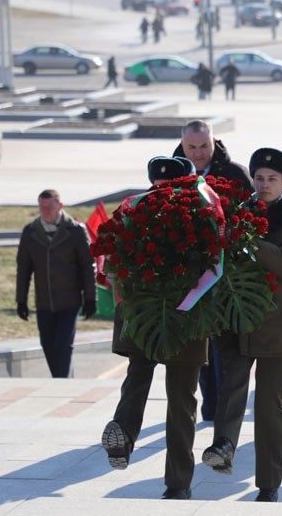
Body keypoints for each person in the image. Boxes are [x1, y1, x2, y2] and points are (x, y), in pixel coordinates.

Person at [202, 148, 282, 503]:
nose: (264, 185)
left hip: (278, 326)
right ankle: (223, 446)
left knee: (271, 406)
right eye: (258, 178)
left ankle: (269, 483)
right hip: (238, 320)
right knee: (231, 386)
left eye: (272, 179)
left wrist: (251, 239)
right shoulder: (238, 215)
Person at [102, 157, 209, 502]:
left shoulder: (132, 209)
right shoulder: (201, 211)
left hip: (143, 313)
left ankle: (124, 432)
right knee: (181, 401)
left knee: (137, 377)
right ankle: (178, 483)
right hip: (187, 315)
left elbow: (112, 265)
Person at [172, 120, 253, 422]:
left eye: (204, 146)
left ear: (214, 141)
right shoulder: (172, 173)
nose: (198, 153)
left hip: (228, 280)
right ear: (182, 145)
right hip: (189, 279)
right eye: (191, 147)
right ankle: (208, 409)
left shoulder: (233, 174)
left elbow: (252, 217)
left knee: (224, 350)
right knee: (198, 350)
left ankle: (224, 411)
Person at [16, 189, 96, 378]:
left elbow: (87, 266)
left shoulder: (75, 231)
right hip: (44, 301)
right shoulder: (30, 232)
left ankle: (61, 382)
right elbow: (24, 269)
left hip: (70, 301)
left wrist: (91, 298)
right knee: (48, 345)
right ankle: (64, 379)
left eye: (49, 206)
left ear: (59, 206)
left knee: (63, 345)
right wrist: (21, 300)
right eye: (41, 206)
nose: (45, 210)